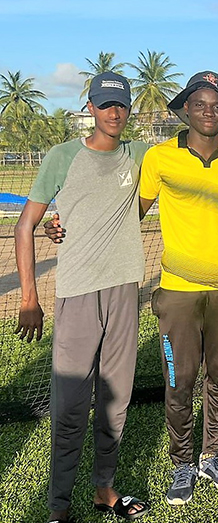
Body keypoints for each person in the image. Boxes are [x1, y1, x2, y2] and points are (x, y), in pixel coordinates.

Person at [14, 72, 150, 523]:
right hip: (76, 293)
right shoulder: (62, 156)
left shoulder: (141, 156)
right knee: (71, 406)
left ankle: (104, 489)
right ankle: (58, 507)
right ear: (90, 107)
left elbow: (201, 140)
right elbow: (25, 225)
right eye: (105, 104)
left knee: (117, 400)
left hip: (124, 291)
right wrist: (29, 298)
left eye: (122, 105)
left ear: (129, 109)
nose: (114, 113)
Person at [139, 71, 218, 504]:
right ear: (186, 108)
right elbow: (135, 212)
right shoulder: (159, 158)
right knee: (179, 380)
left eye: (217, 104)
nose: (208, 111)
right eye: (200, 103)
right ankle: (183, 463)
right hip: (178, 291)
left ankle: (212, 456)